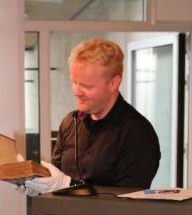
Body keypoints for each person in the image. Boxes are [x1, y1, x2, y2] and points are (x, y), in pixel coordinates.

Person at [20, 39, 161, 196]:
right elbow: (56, 181)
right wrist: (38, 186)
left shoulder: (138, 133)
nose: (77, 92)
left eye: (87, 86)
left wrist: (67, 185)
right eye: (74, 82)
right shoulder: (69, 123)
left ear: (113, 83)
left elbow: (126, 202)